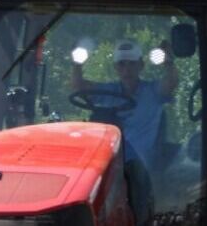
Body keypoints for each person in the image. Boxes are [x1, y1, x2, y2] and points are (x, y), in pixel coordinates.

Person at [72, 40, 177, 169]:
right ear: (115, 67)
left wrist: (168, 62)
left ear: (141, 65)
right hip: (112, 161)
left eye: (132, 64)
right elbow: (80, 87)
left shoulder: (153, 92)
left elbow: (171, 82)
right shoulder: (109, 92)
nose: (127, 69)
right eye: (121, 64)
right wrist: (77, 64)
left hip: (145, 167)